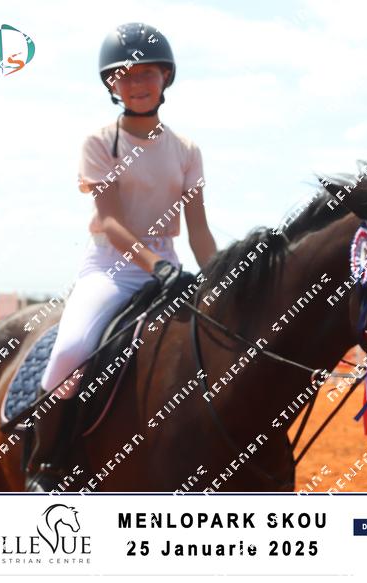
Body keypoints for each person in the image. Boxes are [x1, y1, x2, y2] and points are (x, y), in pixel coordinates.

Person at [25, 22, 217, 491]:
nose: (136, 84)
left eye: (146, 73)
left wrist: (220, 277)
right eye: (124, 76)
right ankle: (46, 463)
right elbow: (110, 222)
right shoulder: (99, 143)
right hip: (111, 270)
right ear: (111, 85)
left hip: (168, 268)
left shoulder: (186, 150)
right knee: (70, 352)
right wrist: (157, 267)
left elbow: (199, 231)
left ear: (165, 77)